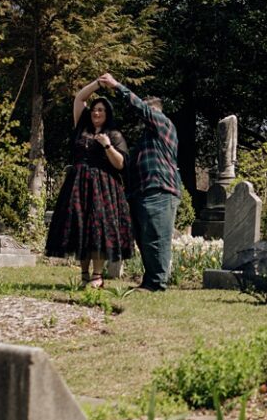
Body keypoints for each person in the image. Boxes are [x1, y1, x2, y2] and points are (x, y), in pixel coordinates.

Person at [98, 72, 181, 291]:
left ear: (155, 112)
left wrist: (117, 86)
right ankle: (149, 281)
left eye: (147, 111)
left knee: (156, 237)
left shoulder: (164, 125)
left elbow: (141, 108)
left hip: (160, 189)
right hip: (140, 193)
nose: (143, 116)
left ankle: (157, 283)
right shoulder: (145, 141)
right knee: (145, 239)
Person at [46, 84, 134, 287]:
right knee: (80, 228)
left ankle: (97, 276)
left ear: (107, 113)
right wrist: (98, 83)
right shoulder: (81, 128)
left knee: (98, 229)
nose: (96, 112)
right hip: (77, 185)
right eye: (94, 109)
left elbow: (120, 164)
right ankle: (84, 274)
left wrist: (106, 145)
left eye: (101, 109)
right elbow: (79, 98)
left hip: (103, 186)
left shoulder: (114, 135)